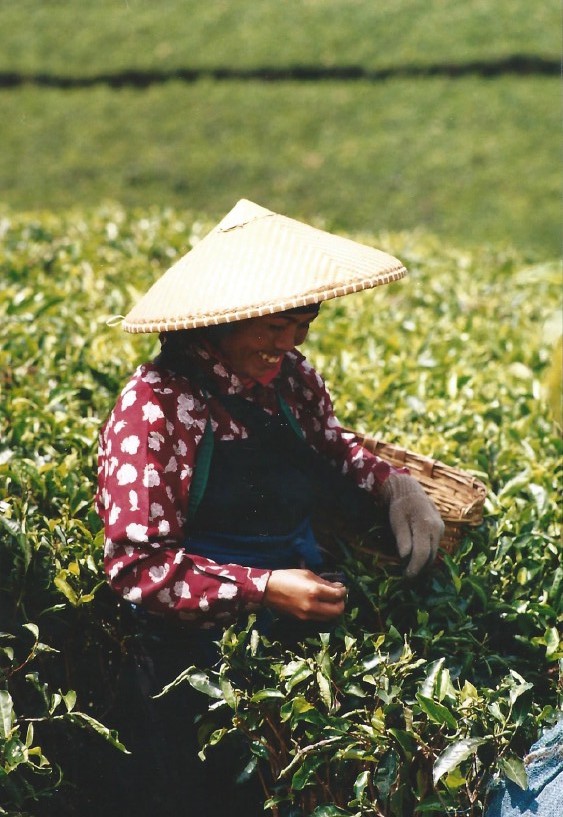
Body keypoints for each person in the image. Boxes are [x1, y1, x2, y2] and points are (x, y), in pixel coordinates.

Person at [95, 199, 445, 815]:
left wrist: (392, 485)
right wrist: (264, 588)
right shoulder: (154, 409)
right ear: (220, 321)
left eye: (303, 322)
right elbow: (137, 567)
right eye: (272, 328)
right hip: (192, 676)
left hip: (295, 636)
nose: (290, 342)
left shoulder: (291, 379)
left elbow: (330, 447)